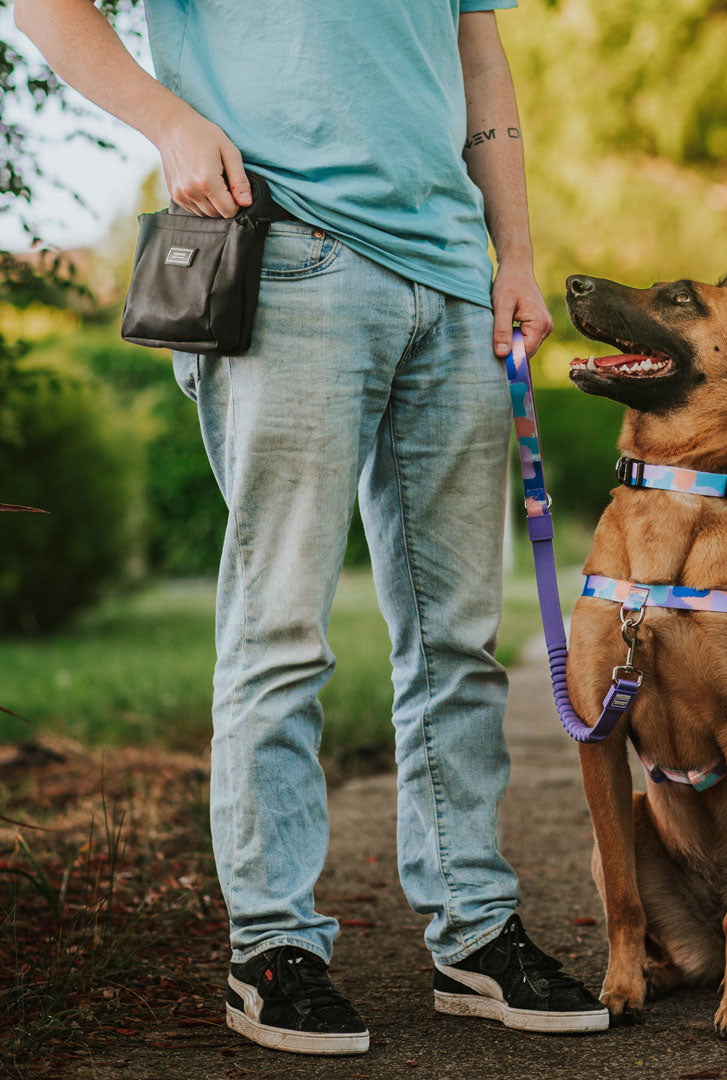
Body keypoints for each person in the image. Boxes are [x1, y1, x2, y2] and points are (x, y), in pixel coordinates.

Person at [16, 0, 609, 1054]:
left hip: (454, 282)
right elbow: (43, 6)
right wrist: (169, 122)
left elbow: (478, 54)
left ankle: (474, 931)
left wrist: (513, 254)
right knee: (281, 632)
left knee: (461, 641)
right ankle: (274, 948)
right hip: (291, 258)